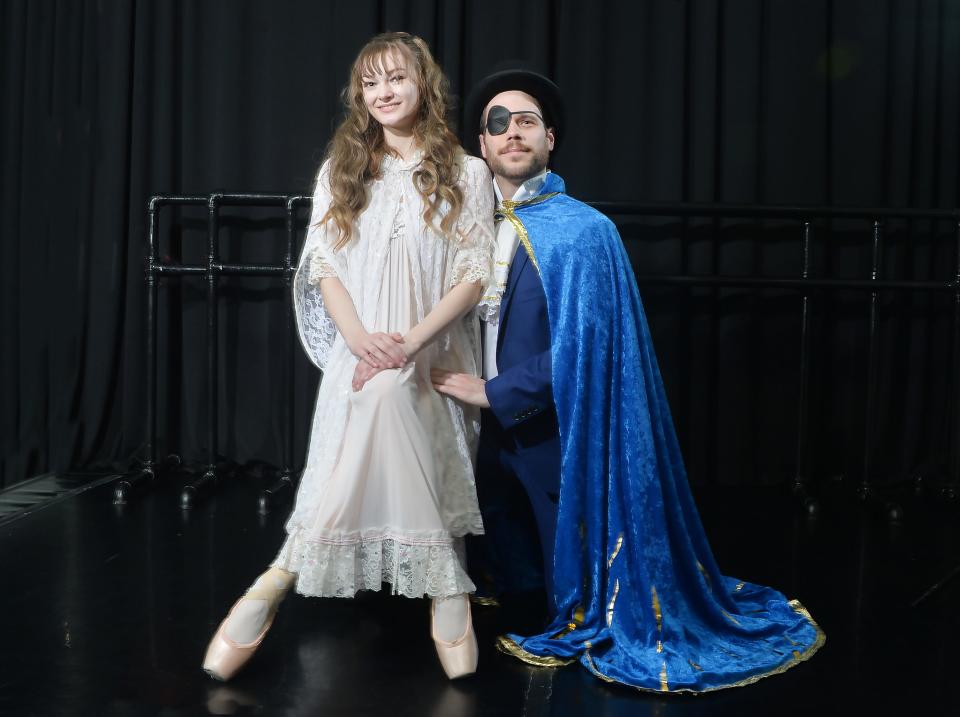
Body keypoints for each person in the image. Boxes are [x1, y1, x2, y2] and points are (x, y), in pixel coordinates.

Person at [432, 68, 825, 693]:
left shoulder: (585, 231)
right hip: (478, 436)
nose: (512, 133)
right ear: (480, 146)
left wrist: (493, 392)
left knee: (568, 568)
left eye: (526, 121)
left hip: (555, 431)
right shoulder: (463, 228)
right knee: (505, 565)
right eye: (496, 124)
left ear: (550, 139)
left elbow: (588, 348)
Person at [202, 32, 495, 682]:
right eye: (371, 83)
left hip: (432, 350)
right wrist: (361, 340)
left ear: (424, 86)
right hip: (359, 352)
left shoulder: (468, 172)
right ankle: (449, 582)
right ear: (360, 95)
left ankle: (277, 576)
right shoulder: (342, 169)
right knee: (379, 390)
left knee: (395, 389)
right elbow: (325, 265)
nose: (383, 93)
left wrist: (410, 343)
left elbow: (474, 274)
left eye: (396, 79)